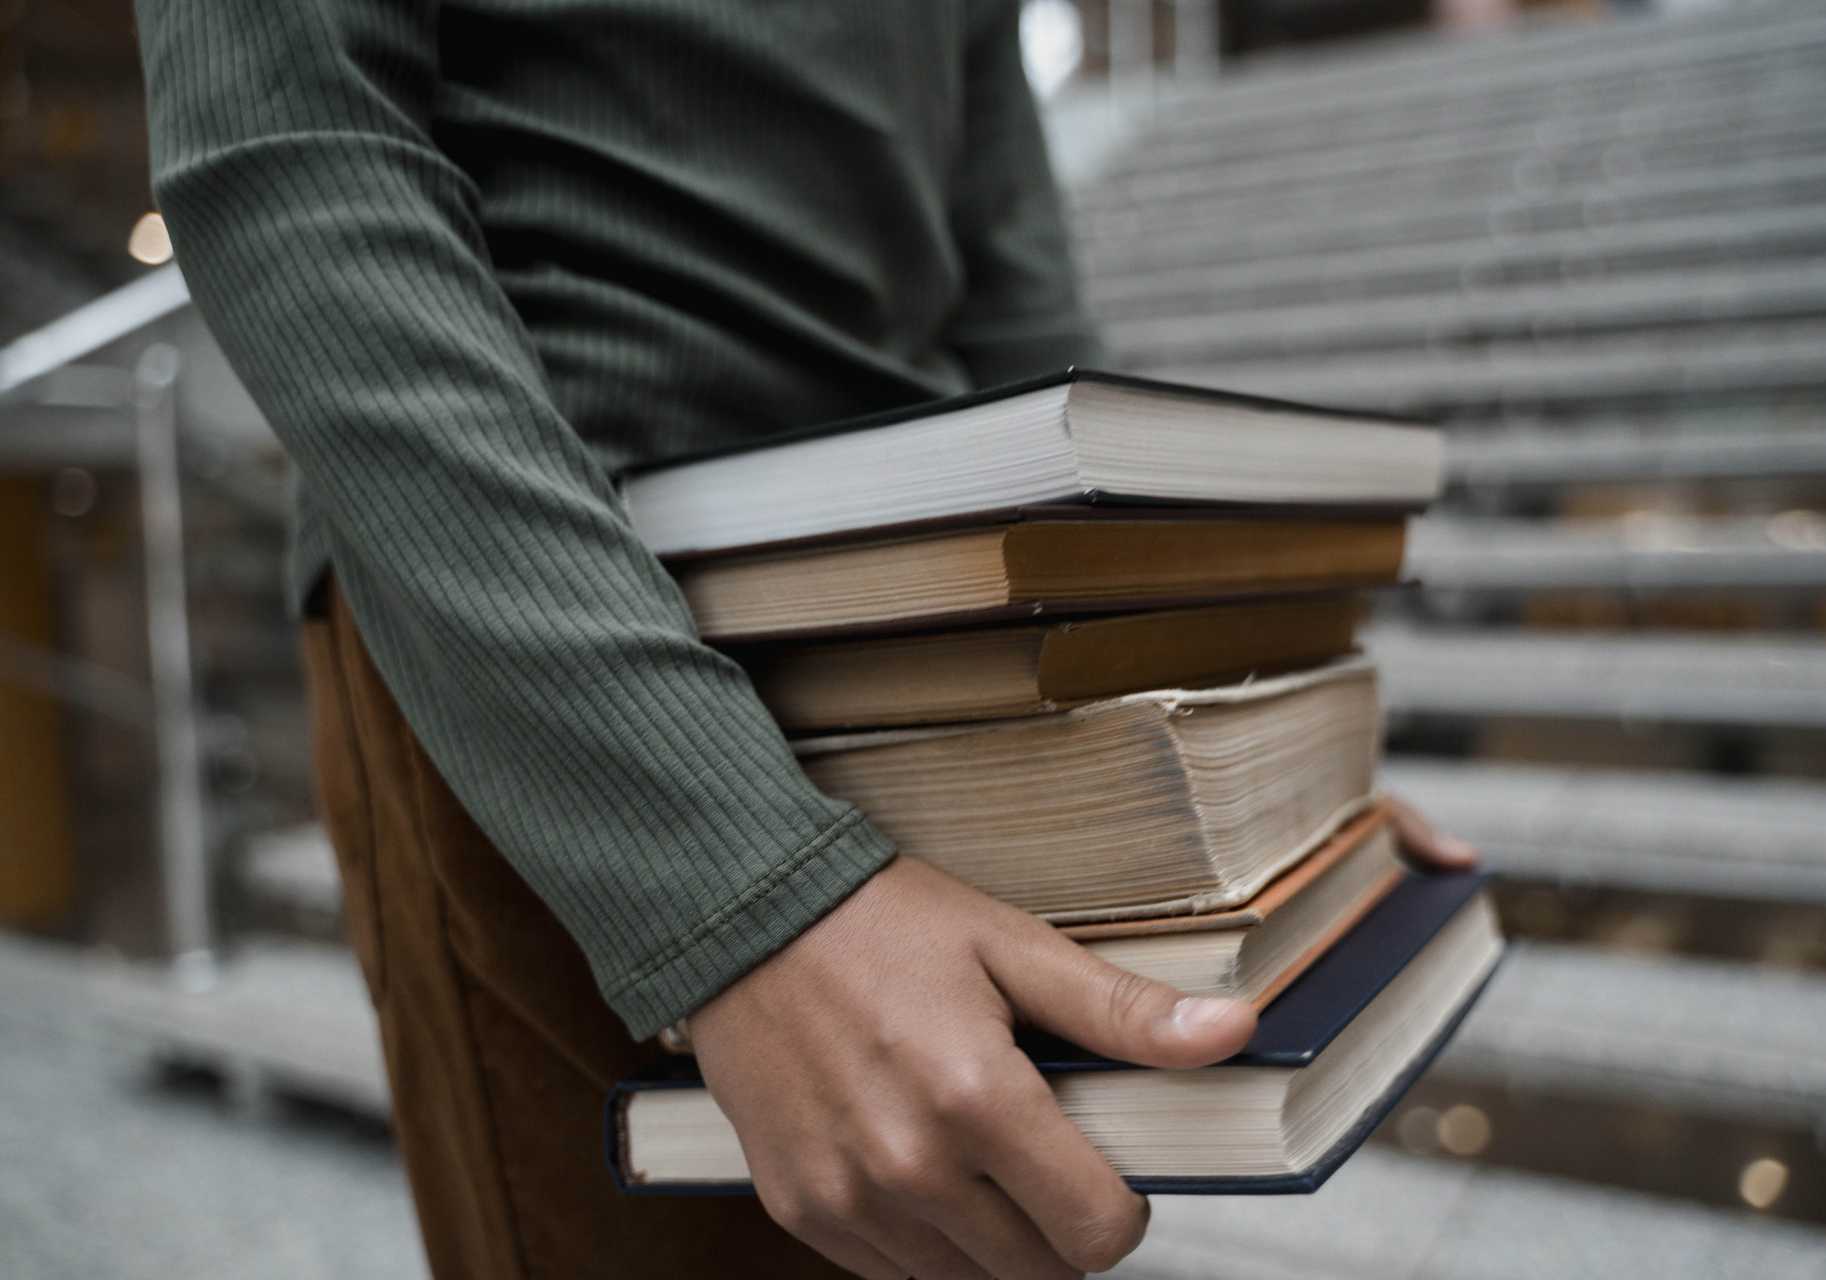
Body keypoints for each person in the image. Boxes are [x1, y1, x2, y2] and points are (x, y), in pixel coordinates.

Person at [133, 2, 1478, 1275]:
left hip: (926, 619)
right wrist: (737, 889)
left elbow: (1010, 275)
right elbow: (293, 154)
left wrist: (1246, 743)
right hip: (559, 621)